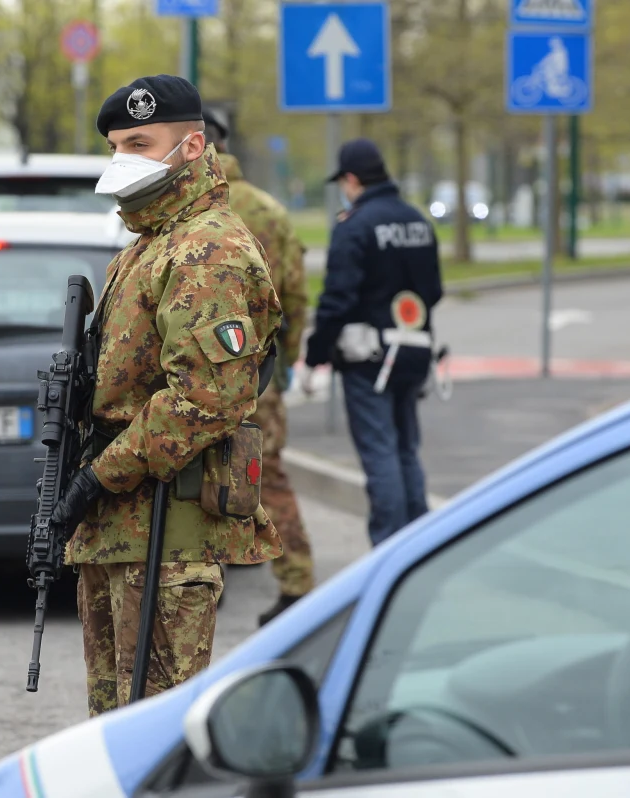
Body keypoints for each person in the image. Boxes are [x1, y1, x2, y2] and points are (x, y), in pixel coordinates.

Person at [49, 75, 284, 717]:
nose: (124, 158)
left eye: (141, 142)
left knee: (157, 728)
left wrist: (99, 476)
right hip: (120, 528)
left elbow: (208, 398)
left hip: (165, 530)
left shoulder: (208, 250)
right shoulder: (147, 246)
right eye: (116, 145)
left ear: (190, 147)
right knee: (113, 721)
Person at [201, 106, 314, 627]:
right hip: (258, 373)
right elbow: (294, 293)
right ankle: (297, 584)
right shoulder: (267, 209)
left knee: (197, 477)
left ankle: (205, 581)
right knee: (267, 477)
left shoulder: (186, 206)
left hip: (196, 374)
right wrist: (285, 361)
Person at [303, 138, 443, 548]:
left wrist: (315, 355)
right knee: (406, 448)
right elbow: (432, 292)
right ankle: (420, 543)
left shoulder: (356, 225)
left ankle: (389, 550)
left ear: (352, 179)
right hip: (415, 351)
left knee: (380, 452)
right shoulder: (417, 221)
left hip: (369, 359)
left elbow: (337, 300)